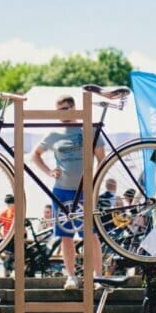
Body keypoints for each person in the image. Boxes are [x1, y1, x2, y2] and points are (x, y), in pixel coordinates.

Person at [31, 94, 106, 290]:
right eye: (59, 111)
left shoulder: (88, 129)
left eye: (66, 109)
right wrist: (48, 171)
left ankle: (98, 276)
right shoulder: (54, 134)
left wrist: (94, 181)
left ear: (74, 108)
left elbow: (102, 160)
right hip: (61, 190)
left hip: (85, 191)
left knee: (91, 234)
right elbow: (35, 155)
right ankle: (71, 276)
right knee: (65, 235)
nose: (63, 114)